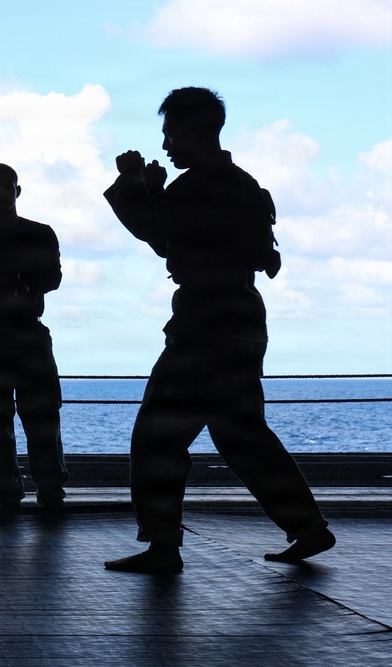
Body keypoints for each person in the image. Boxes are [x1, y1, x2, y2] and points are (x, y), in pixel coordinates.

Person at [103, 87, 334, 573]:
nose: (166, 146)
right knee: (242, 434)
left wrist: (129, 182)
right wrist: (155, 192)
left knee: (158, 437)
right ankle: (309, 528)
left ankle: (163, 545)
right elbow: (176, 241)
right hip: (244, 322)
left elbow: (152, 228)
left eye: (169, 135)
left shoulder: (198, 187)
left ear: (190, 131)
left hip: (204, 323)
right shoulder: (243, 185)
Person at [0, 163, 69, 509]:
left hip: (20, 333)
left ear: (17, 191)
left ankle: (47, 490)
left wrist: (3, 278)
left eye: (8, 187)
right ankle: (11, 492)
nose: (3, 193)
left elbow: (52, 278)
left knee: (41, 418)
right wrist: (17, 277)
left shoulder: (38, 234)